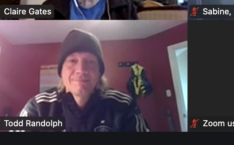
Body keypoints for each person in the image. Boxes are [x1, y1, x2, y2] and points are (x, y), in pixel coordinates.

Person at [19, 29, 149, 132]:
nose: (81, 69)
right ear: (61, 71)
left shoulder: (124, 106)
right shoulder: (38, 108)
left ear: (99, 72)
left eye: (90, 62)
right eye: (72, 61)